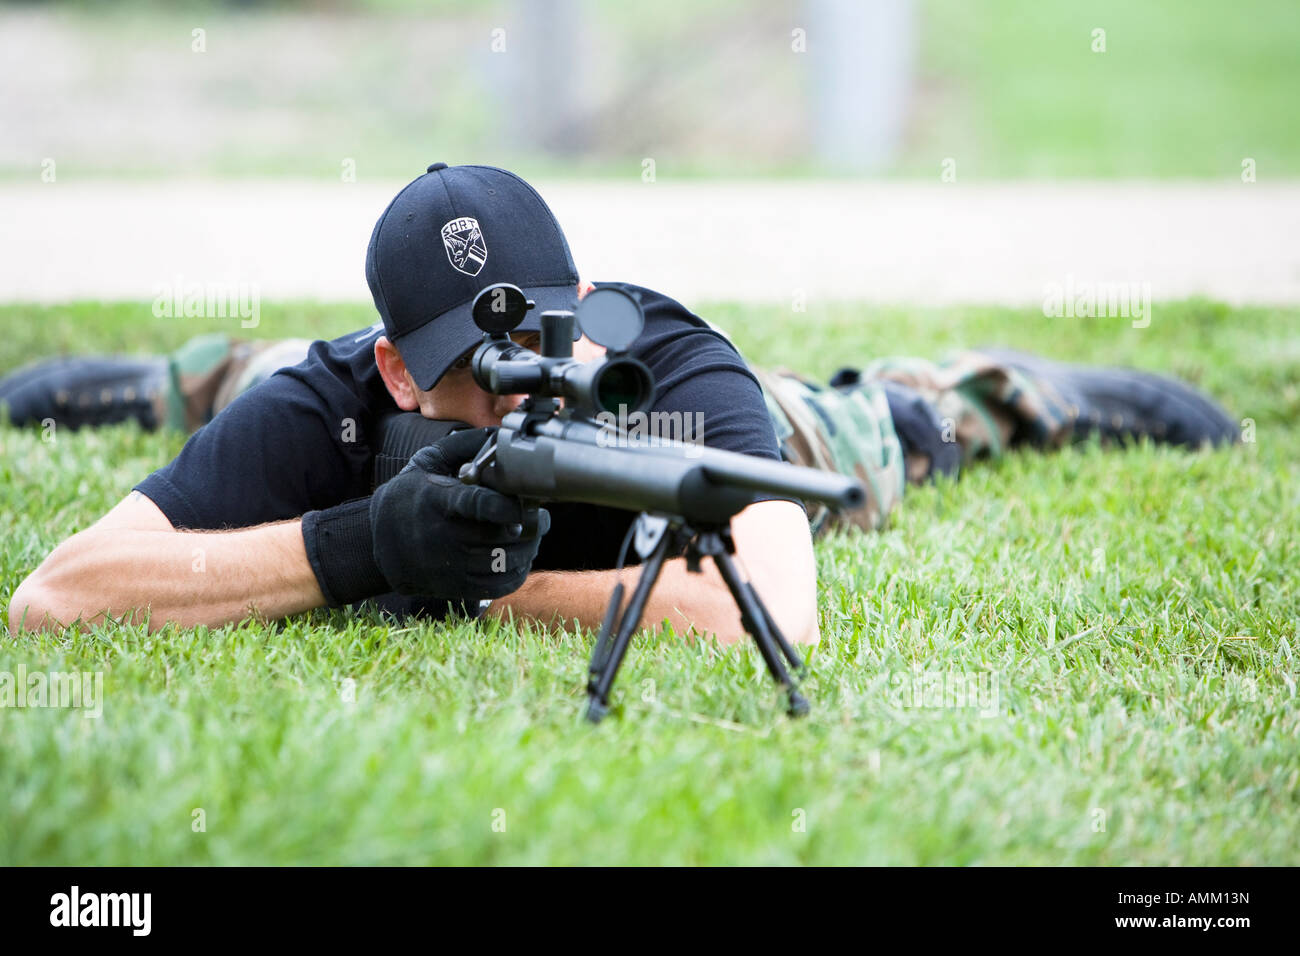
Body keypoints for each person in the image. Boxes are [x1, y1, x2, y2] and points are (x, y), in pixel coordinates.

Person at [4, 163, 1239, 641]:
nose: (508, 384)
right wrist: (358, 543)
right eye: (460, 372)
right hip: (329, 383)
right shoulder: (339, 396)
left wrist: (484, 591)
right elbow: (54, 597)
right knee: (272, 384)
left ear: (582, 302)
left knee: (879, 428)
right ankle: (181, 376)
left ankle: (1012, 388)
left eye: (532, 334)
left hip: (758, 419)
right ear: (396, 371)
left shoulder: (664, 364)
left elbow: (777, 611)